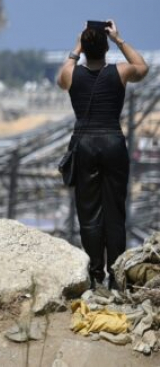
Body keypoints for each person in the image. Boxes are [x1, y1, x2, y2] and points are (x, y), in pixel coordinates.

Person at [57, 20, 149, 289]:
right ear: (107, 48)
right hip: (112, 142)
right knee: (114, 211)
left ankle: (96, 274)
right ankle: (116, 276)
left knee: (89, 213)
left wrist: (77, 46)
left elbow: (63, 76)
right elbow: (142, 67)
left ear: (84, 48)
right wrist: (119, 39)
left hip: (84, 144)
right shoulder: (119, 71)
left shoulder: (71, 75)